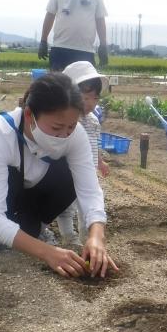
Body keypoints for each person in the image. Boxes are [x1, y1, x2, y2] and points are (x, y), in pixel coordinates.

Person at [0, 73, 117, 278]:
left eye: (70, 127)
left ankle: (34, 230)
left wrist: (96, 236)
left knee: (66, 174)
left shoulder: (75, 135)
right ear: (29, 115)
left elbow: (89, 189)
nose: (63, 135)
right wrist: (47, 252)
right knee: (10, 174)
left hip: (20, 194)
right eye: (56, 127)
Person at [56, 61, 110, 245]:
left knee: (87, 205)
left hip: (88, 170)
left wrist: (100, 161)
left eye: (95, 98)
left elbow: (96, 142)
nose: (90, 103)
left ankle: (85, 237)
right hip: (67, 171)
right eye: (85, 98)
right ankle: (68, 236)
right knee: (66, 207)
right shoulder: (67, 120)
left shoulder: (93, 121)